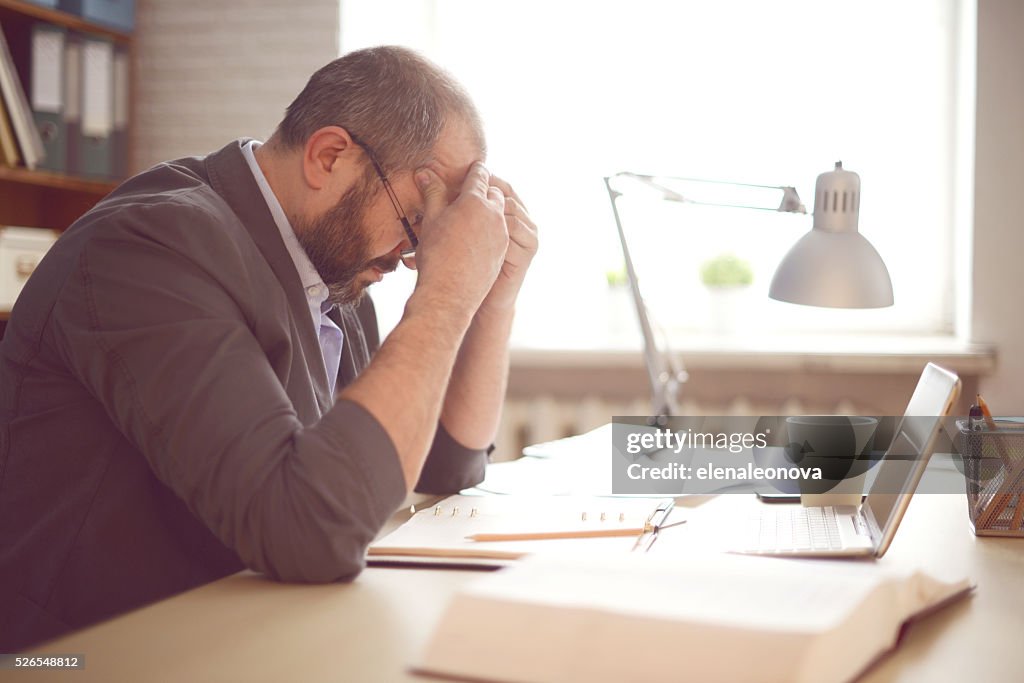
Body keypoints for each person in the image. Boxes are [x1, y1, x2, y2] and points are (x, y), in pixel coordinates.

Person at [0, 46, 537, 650]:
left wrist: (493, 297)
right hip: (76, 658)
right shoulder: (149, 247)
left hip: (231, 632)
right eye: (417, 220)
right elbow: (308, 530)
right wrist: (445, 295)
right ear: (329, 156)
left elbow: (442, 467)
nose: (414, 256)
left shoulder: (333, 270)